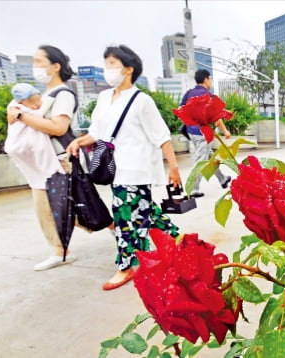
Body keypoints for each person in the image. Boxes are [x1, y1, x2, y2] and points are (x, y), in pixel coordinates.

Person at [66, 45, 181, 290]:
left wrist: (174, 168)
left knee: (125, 218)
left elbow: (162, 136)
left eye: (112, 64)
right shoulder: (104, 98)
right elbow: (97, 133)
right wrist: (78, 141)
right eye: (106, 64)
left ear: (128, 69)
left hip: (136, 169)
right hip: (115, 168)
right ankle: (178, 243)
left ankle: (126, 267)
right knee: (145, 212)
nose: (108, 69)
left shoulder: (142, 101)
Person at [6, 45, 80, 271]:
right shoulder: (43, 94)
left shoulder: (63, 94)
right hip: (43, 162)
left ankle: (121, 230)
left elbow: (58, 127)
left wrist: (20, 115)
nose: (35, 66)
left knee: (84, 208)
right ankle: (60, 251)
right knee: (46, 207)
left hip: (59, 159)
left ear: (55, 66)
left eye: (39, 61)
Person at [180, 69, 232, 198]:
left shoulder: (189, 93)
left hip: (191, 131)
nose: (211, 82)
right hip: (203, 132)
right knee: (201, 160)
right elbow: (215, 116)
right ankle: (193, 189)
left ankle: (223, 179)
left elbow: (181, 110)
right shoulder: (207, 95)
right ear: (206, 79)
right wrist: (225, 131)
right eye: (211, 79)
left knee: (208, 157)